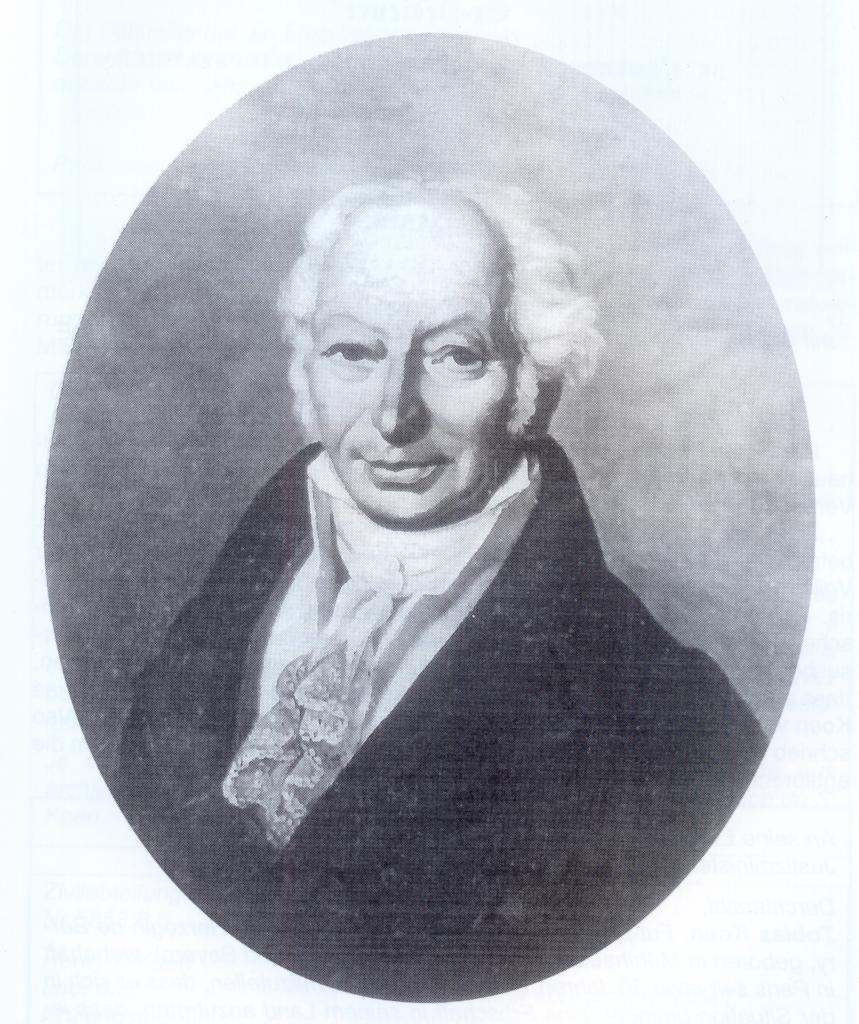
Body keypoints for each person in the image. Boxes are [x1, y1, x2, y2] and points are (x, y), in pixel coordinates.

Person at [114, 180, 767, 1001]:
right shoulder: (228, 601)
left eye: (455, 355)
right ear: (307, 365)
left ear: (532, 379)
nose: (393, 415)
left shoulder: (673, 726)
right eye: (354, 351)